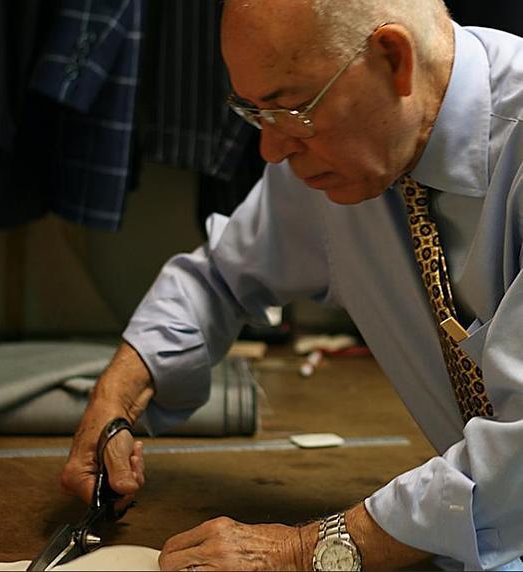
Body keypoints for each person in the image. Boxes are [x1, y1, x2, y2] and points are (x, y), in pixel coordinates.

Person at [60, 0, 523, 569]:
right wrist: (119, 392)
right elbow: (219, 279)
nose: (271, 149)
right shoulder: (352, 153)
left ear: (393, 58)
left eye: (291, 109)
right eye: (255, 113)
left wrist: (309, 550)